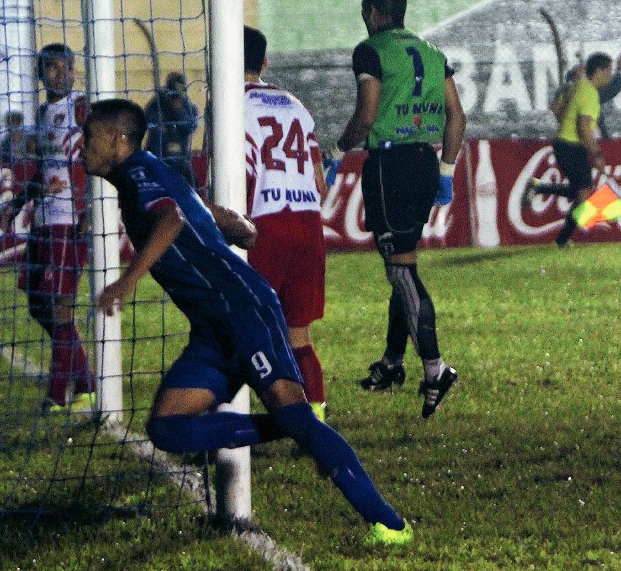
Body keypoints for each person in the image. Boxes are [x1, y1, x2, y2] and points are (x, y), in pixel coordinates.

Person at [84, 98, 411, 545]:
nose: (82, 146)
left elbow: (172, 216)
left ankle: (390, 524)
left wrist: (127, 281)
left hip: (244, 311)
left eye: (90, 136)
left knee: (291, 416)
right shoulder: (147, 172)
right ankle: (293, 427)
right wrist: (239, 227)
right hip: (213, 330)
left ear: (118, 139)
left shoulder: (139, 174)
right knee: (166, 428)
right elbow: (201, 209)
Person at [337, 0, 466, 419]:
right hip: (424, 163)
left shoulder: (370, 50)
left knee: (402, 271)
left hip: (389, 167)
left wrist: (335, 152)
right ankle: (393, 362)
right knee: (403, 265)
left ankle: (435, 368)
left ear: (374, 11)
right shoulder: (433, 53)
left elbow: (366, 115)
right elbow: (457, 116)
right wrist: (446, 171)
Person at [0, 43, 95, 413]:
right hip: (43, 220)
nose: (56, 74)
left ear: (73, 69)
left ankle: (58, 397)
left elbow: (97, 159)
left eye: (61, 66)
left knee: (60, 306)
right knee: (39, 305)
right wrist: (18, 202)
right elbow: (46, 171)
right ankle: (84, 381)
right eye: (48, 68)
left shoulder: (82, 107)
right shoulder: (42, 111)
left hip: (68, 221)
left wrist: (89, 208)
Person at [241, 27, 329, 421]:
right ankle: (316, 420)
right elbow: (319, 181)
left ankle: (228, 422)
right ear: (264, 63)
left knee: (241, 330)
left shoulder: (230, 104)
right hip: (308, 227)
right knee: (299, 337)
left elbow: (241, 175)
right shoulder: (295, 104)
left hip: (262, 227)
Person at [522, 52, 614, 248]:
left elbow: (557, 110)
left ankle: (539, 188)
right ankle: (561, 241)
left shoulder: (579, 86)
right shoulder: (589, 93)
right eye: (608, 71)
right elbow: (583, 127)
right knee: (585, 195)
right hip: (571, 147)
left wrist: (567, 125)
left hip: (564, 145)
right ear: (598, 71)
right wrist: (596, 154)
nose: (610, 76)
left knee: (583, 193)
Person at [144, 72, 200, 188]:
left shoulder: (189, 107)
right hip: (156, 162)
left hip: (180, 164)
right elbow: (148, 123)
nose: (176, 98)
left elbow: (190, 127)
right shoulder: (156, 105)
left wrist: (178, 110)